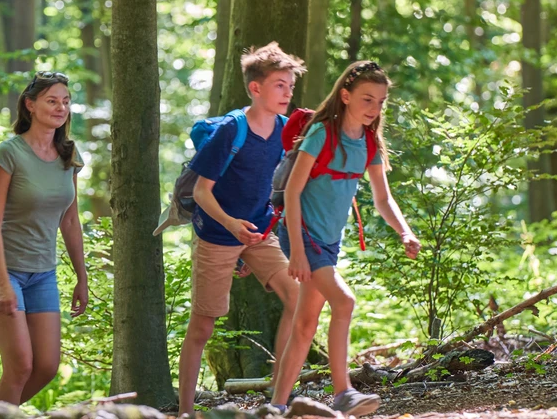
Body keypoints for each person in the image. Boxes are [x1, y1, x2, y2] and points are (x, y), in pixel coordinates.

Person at [267, 61, 421, 417]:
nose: (374, 108)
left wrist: (405, 232)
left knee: (305, 325)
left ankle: (276, 406)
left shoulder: (369, 143)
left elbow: (383, 199)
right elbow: (292, 193)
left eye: (380, 101)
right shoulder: (322, 134)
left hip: (328, 243)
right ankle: (343, 393)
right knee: (345, 301)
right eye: (367, 99)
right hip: (303, 236)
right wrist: (297, 253)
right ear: (346, 96)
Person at [177, 43, 305, 417]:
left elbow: (276, 187)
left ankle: (278, 400)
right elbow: (201, 192)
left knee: (299, 299)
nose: (287, 92)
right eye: (280, 85)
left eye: (290, 86)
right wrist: (232, 226)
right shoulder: (230, 131)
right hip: (218, 234)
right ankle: (185, 411)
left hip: (259, 234)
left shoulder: (285, 130)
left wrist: (254, 235)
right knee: (203, 327)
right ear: (255, 88)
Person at [0, 71, 90, 404]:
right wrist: (2, 283)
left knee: (46, 366)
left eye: (66, 102)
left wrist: (82, 277)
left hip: (43, 273)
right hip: (6, 270)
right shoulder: (9, 152)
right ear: (30, 105)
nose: (61, 108)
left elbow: (70, 220)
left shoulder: (69, 155)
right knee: (20, 367)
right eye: (52, 101)